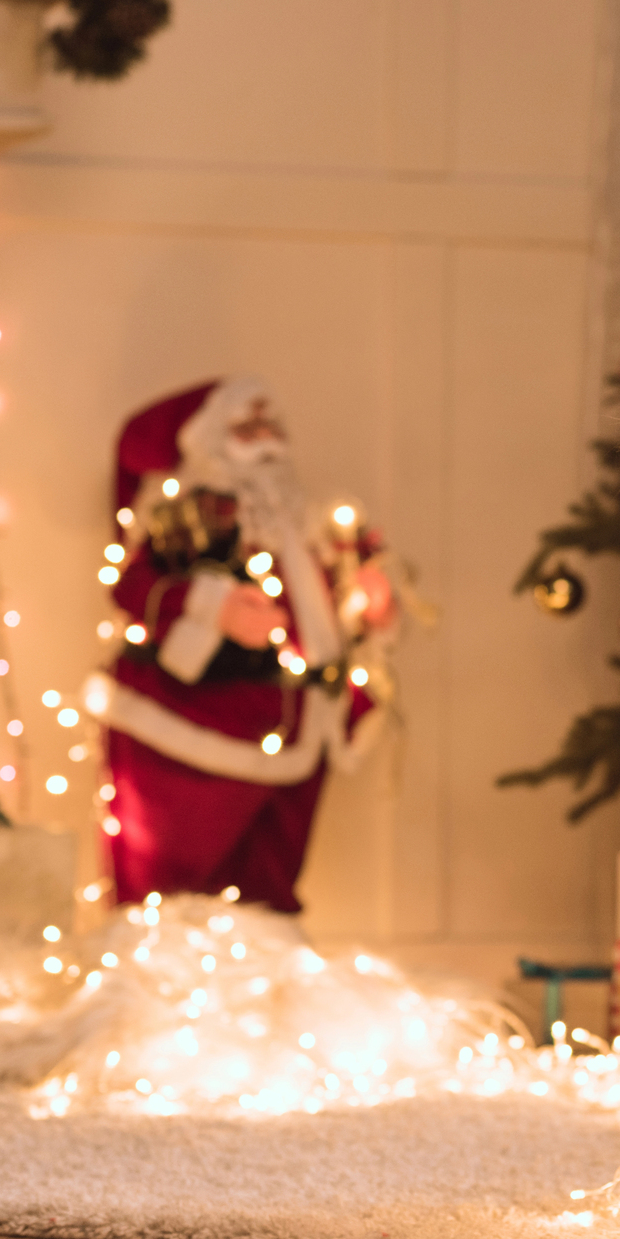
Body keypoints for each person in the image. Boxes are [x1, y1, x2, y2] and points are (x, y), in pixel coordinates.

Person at [88, 376, 397, 912]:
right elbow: (133, 587)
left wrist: (369, 609)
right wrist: (215, 607)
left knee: (267, 894)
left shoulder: (305, 522)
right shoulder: (185, 517)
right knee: (173, 890)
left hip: (296, 724)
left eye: (269, 425)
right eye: (246, 428)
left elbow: (325, 611)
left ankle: (269, 983)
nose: (265, 439)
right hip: (196, 724)